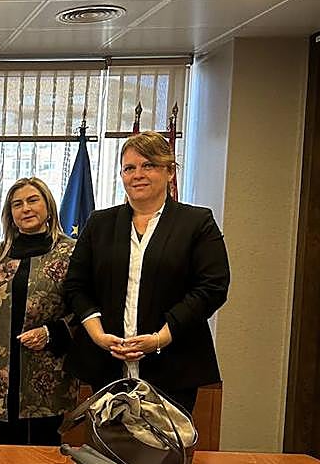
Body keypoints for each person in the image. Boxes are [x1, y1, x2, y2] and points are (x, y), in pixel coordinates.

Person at [64, 131, 230, 413]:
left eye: (148, 165)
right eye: (129, 168)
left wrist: (161, 338)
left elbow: (212, 287)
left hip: (174, 364)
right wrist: (98, 335)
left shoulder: (196, 222)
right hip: (106, 364)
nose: (137, 174)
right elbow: (75, 287)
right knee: (109, 454)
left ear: (168, 171)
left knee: (163, 455)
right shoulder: (99, 224)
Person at [0, 177, 77, 445]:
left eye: (33, 200)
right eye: (17, 204)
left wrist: (52, 332)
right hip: (2, 373)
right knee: (6, 457)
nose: (26, 208)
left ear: (48, 206)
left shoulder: (71, 252)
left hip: (48, 372)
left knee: (43, 456)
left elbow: (87, 308)